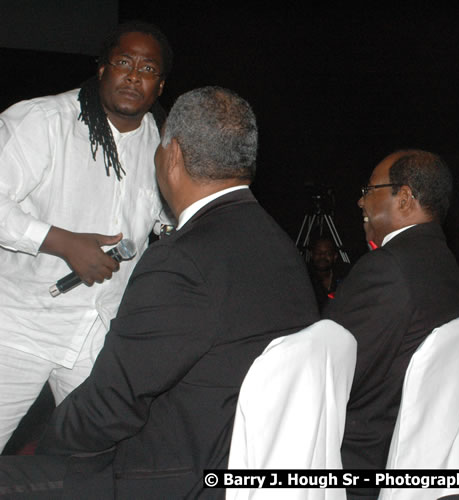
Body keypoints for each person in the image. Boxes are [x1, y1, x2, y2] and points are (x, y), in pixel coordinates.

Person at [0, 86, 319, 498]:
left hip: (168, 474)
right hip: (243, 457)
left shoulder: (181, 263)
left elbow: (108, 409)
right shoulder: (280, 247)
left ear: (171, 156)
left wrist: (49, 459)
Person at [0, 21, 173, 452]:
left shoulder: (165, 145)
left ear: (160, 85)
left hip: (99, 335)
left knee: (104, 458)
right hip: (19, 327)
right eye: (123, 62)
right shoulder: (42, 121)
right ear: (101, 70)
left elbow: (167, 222)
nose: (134, 75)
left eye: (148, 68)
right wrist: (60, 241)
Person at [323, 149, 459, 498]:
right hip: (421, 451)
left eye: (369, 190)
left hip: (360, 462)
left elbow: (329, 374)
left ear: (404, 198)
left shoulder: (386, 269)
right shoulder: (447, 266)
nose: (360, 202)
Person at [307, 234, 349, 311]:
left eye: (327, 253)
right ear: (312, 255)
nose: (322, 256)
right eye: (318, 253)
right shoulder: (305, 277)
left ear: (335, 256)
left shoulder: (345, 275)